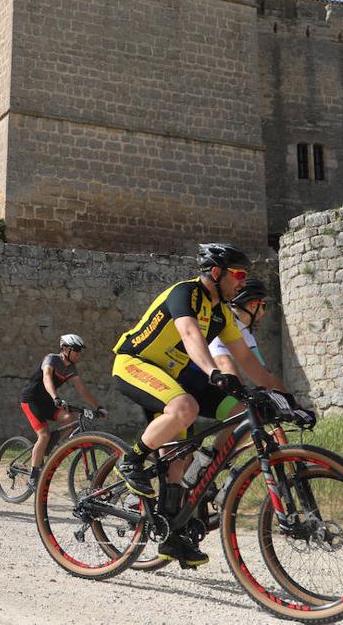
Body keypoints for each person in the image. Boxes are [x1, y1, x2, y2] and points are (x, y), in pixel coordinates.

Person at [110, 243, 255, 569]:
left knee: (182, 456)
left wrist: (286, 396)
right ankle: (132, 460)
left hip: (169, 377)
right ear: (216, 272)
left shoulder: (221, 314)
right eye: (239, 274)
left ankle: (171, 538)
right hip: (135, 363)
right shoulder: (185, 293)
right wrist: (213, 372)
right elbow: (190, 335)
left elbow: (249, 361)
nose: (243, 282)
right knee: (185, 407)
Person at [20, 334, 105, 486]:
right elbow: (47, 378)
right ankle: (33, 474)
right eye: (76, 350)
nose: (79, 354)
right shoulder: (51, 359)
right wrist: (55, 397)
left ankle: (50, 444)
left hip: (48, 401)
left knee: (69, 419)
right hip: (31, 399)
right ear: (65, 349)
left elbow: (82, 389)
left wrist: (98, 407)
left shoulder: (71, 368)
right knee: (44, 435)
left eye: (80, 351)